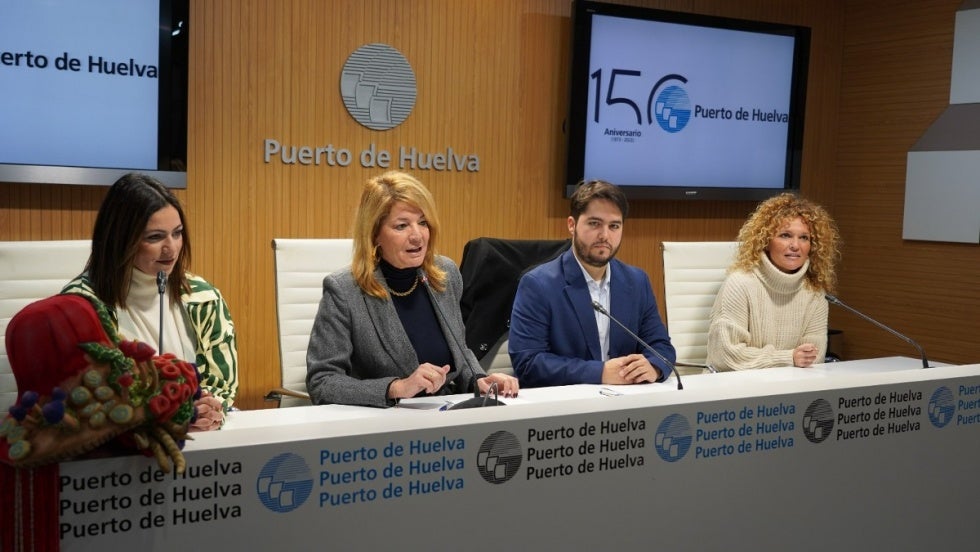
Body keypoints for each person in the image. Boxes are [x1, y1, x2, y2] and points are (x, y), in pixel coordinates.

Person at [306, 171, 519, 407]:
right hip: (385, 425)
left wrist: (480, 380)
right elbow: (322, 382)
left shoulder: (444, 274)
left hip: (445, 415)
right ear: (375, 233)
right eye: (401, 226)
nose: (417, 236)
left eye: (423, 222)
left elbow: (461, 350)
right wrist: (397, 388)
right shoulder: (345, 291)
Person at [61, 172, 237, 428]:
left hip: (203, 441)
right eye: (154, 237)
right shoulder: (81, 305)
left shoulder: (203, 297)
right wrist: (173, 415)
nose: (171, 248)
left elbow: (223, 384)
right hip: (123, 451)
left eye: (177, 233)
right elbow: (89, 397)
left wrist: (203, 410)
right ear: (120, 240)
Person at [508, 179, 675, 387]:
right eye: (594, 224)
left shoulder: (637, 281)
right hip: (564, 408)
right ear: (572, 225)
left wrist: (653, 366)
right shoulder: (538, 285)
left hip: (629, 405)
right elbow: (528, 363)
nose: (605, 235)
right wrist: (600, 373)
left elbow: (661, 347)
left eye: (614, 226)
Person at [707, 192, 841, 371]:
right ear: (766, 241)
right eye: (785, 235)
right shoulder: (740, 283)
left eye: (804, 238)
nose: (795, 245)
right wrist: (788, 357)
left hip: (790, 388)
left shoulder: (814, 291)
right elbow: (724, 356)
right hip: (735, 388)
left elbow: (813, 357)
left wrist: (794, 360)